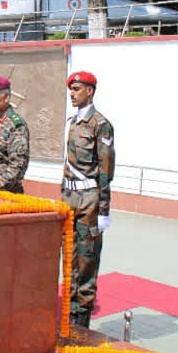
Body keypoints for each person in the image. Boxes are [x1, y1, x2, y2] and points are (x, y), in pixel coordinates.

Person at [63, 71, 116, 328]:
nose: (72, 93)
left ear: (90, 91)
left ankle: (80, 322)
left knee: (86, 261)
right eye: (71, 89)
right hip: (69, 197)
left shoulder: (100, 124)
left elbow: (106, 169)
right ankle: (67, 315)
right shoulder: (72, 122)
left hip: (89, 200)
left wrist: (104, 209)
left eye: (77, 89)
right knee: (69, 258)